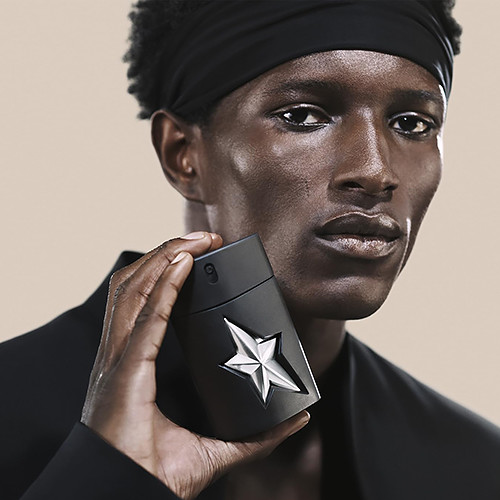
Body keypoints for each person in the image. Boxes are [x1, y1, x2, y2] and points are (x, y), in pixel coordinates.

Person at [1, 0, 499, 499]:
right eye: (303, 116)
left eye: (412, 124)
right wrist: (106, 480)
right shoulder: (12, 411)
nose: (375, 170)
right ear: (183, 155)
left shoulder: (475, 466)